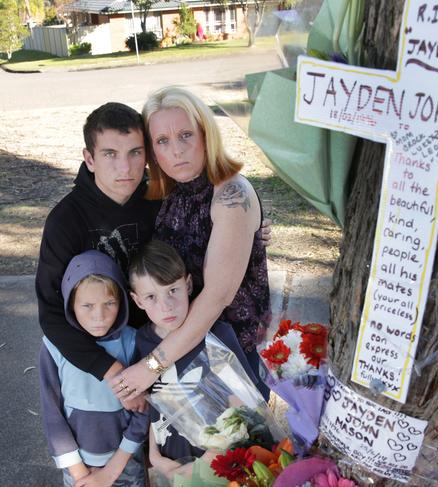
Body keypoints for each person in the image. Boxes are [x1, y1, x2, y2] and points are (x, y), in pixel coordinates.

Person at [36, 102, 271, 406]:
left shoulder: (160, 198)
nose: (125, 168)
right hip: (105, 362)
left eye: (135, 152)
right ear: (89, 159)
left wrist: (250, 231)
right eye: (110, 154)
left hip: (180, 345)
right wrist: (113, 372)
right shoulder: (65, 221)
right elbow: (51, 312)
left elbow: (211, 229)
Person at [112, 87, 271, 401]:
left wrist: (151, 365)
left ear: (206, 135)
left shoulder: (229, 194)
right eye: (162, 141)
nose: (176, 151)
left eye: (186, 135)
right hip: (182, 353)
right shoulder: (170, 191)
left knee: (237, 449)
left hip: (230, 359)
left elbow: (216, 297)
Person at [39, 250, 148, 486]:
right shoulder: (53, 346)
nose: (99, 316)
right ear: (70, 303)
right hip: (79, 468)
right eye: (87, 305)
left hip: (127, 462)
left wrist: (118, 462)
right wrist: (78, 472)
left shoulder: (133, 341)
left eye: (109, 303)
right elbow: (51, 411)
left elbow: (144, 408)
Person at [129, 240, 207, 474]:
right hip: (167, 460)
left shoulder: (216, 334)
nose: (166, 306)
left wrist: (206, 464)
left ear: (189, 285)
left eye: (173, 290)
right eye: (151, 297)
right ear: (138, 301)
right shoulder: (143, 341)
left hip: (217, 461)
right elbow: (155, 402)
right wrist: (154, 454)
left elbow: (241, 405)